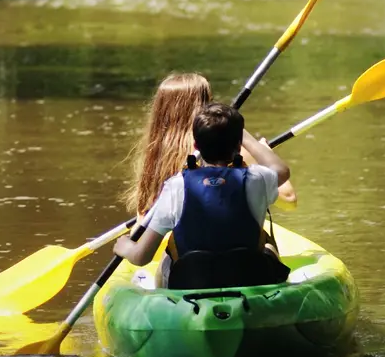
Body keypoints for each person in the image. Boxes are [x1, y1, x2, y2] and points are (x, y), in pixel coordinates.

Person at [114, 101, 292, 290]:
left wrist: (124, 246)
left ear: (196, 145)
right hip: (248, 279)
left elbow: (141, 257)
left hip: (191, 284)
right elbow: (281, 170)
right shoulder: (256, 179)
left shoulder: (176, 186)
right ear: (239, 145)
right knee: (267, 247)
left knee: (168, 254)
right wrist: (245, 136)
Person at [123, 72, 295, 222]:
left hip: (169, 241)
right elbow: (289, 200)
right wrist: (262, 151)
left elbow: (143, 215)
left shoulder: (154, 153)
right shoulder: (227, 148)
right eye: (210, 101)